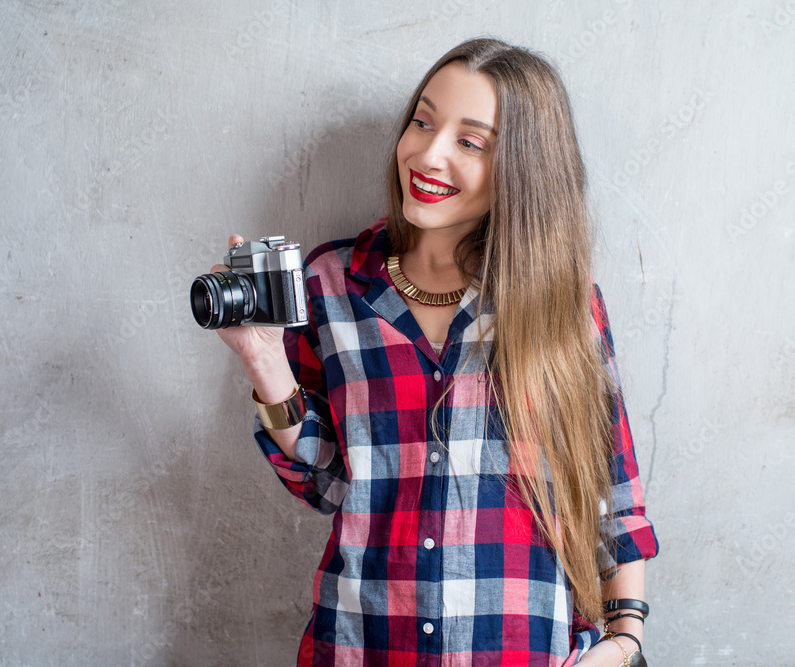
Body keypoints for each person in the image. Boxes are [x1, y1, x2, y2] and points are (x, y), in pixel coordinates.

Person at [212, 37, 659, 667]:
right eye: (422, 121)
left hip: (523, 651)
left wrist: (625, 640)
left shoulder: (566, 306)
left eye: (470, 142)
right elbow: (330, 485)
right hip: (364, 644)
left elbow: (613, 488)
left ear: (523, 169)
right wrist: (263, 361)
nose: (427, 151)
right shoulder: (332, 285)